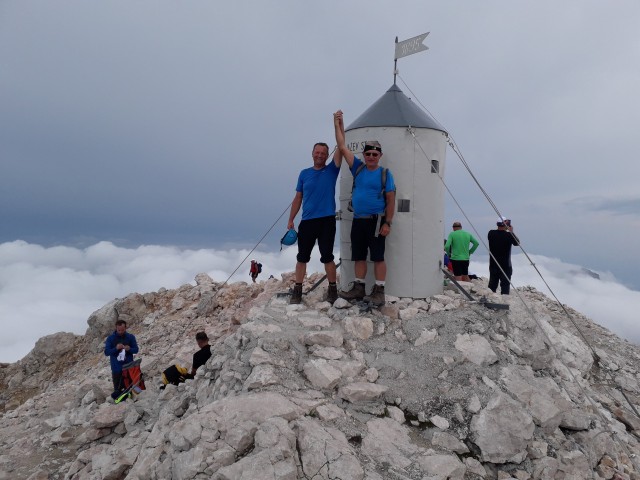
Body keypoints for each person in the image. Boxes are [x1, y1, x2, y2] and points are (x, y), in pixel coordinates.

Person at [334, 110, 396, 306]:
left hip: (376, 221)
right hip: (358, 220)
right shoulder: (358, 167)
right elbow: (342, 147)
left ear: (380, 155)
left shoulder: (385, 173)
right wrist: (338, 125)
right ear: (363, 154)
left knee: (378, 257)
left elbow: (391, 199)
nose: (371, 157)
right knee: (358, 256)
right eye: (368, 153)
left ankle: (379, 291)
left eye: (374, 154)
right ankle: (359, 288)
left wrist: (388, 222)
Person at [287, 137, 343, 305]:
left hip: (326, 220)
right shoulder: (304, 174)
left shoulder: (332, 170)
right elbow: (298, 197)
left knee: (328, 257)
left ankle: (333, 291)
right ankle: (297, 291)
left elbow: (341, 146)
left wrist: (338, 124)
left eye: (323, 153)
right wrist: (291, 219)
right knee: (302, 257)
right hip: (308, 221)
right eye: (317, 152)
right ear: (312, 153)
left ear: (327, 155)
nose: (320, 155)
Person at [104, 320, 139, 393]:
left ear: (126, 328)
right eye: (118, 330)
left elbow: (136, 350)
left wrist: (129, 349)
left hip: (129, 367)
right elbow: (106, 352)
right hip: (116, 369)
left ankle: (133, 400)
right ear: (116, 328)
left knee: (132, 388)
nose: (120, 332)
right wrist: (116, 348)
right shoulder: (110, 338)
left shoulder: (130, 337)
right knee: (118, 391)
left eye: (122, 330)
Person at [488, 217, 520, 295]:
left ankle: (491, 299)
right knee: (505, 284)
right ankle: (504, 300)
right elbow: (517, 243)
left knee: (492, 284)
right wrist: (511, 232)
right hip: (506, 264)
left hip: (493, 263)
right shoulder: (509, 235)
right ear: (505, 224)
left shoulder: (491, 233)